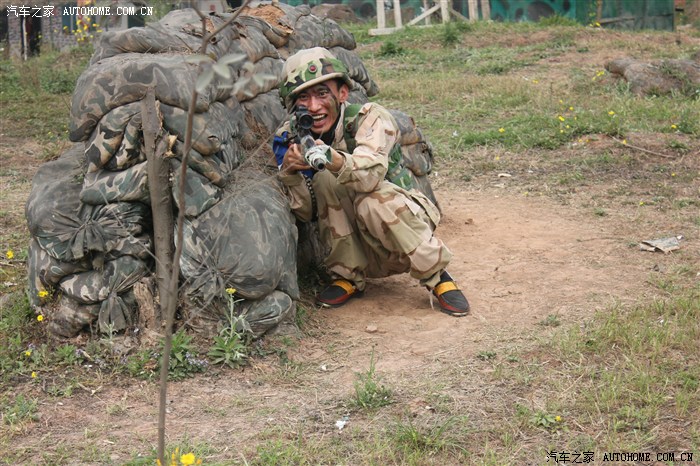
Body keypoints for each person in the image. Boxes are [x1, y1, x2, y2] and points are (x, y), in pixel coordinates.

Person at [272, 47, 469, 316]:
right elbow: (306, 212)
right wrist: (291, 172)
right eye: (303, 98)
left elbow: (370, 175)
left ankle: (437, 276)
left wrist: (332, 158)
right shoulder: (289, 137)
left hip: (402, 222)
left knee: (371, 201)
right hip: (358, 239)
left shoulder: (369, 117)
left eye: (322, 94)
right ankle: (347, 276)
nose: (314, 107)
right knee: (324, 182)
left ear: (342, 93)